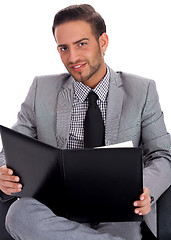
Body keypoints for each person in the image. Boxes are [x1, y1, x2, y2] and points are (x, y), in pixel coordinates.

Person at [0, 4, 171, 240]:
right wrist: (3, 171)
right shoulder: (41, 89)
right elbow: (12, 148)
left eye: (81, 44)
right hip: (56, 206)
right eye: (63, 48)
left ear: (102, 42)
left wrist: (146, 191)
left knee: (125, 226)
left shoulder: (142, 90)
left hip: (117, 206)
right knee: (19, 214)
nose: (73, 57)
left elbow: (163, 154)